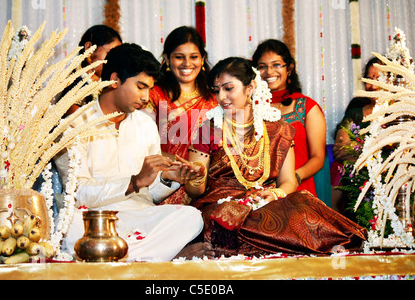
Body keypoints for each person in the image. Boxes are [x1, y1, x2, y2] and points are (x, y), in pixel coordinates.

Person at [179, 57, 366, 257]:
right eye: (216, 90)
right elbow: (196, 191)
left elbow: (287, 181)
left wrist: (275, 194)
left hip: (267, 202)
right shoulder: (207, 130)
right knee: (232, 221)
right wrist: (195, 176)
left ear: (250, 88)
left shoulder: (279, 130)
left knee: (306, 216)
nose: (221, 96)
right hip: (220, 205)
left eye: (228, 88)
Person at [54, 43, 212, 262]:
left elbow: (150, 193)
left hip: (140, 216)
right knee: (69, 229)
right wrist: (134, 182)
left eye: (149, 88)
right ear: (115, 80)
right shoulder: (74, 125)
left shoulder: (145, 125)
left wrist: (168, 179)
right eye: (140, 86)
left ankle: (113, 257)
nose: (147, 97)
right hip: (94, 219)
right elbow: (78, 193)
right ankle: (165, 256)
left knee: (191, 217)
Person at [143, 26, 217, 205]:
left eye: (193, 57)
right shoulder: (152, 95)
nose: (187, 64)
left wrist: (198, 169)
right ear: (167, 58)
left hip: (208, 183)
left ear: (203, 59)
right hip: (165, 181)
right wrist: (181, 165)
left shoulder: (215, 96)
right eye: (179, 57)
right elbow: (144, 145)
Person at [252, 39, 326, 197]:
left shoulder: (306, 107)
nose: (269, 72)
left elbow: (318, 158)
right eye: (262, 66)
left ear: (289, 69)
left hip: (298, 190)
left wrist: (293, 179)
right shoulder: (250, 107)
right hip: (259, 193)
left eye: (276, 65)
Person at [330, 57, 382, 213]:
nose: (371, 85)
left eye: (378, 78)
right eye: (369, 79)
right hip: (354, 171)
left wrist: (358, 151)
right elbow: (340, 147)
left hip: (384, 171)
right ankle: (336, 224)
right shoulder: (356, 111)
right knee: (337, 167)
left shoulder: (399, 113)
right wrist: (368, 152)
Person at [59, 25, 122, 116]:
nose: (114, 60)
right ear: (89, 48)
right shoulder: (73, 87)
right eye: (110, 53)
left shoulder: (112, 82)